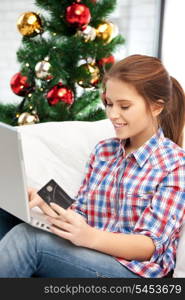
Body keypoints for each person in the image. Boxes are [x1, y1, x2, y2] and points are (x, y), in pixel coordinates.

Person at [0, 54, 185, 278]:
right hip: (88, 252)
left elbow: (149, 246)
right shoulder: (104, 151)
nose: (113, 114)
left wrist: (90, 237)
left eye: (124, 106)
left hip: (134, 271)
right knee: (5, 214)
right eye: (109, 104)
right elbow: (82, 212)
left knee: (28, 240)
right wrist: (46, 195)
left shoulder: (175, 164)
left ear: (156, 108)